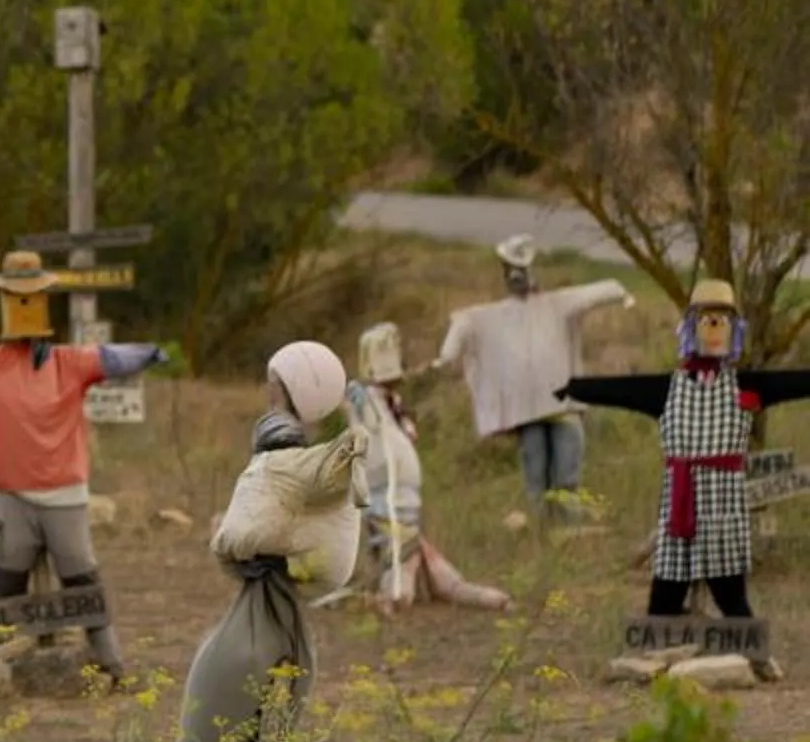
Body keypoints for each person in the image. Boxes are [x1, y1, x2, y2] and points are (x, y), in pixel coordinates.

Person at [0, 252, 162, 683]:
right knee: (7, 578)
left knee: (81, 580)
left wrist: (150, 353)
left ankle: (112, 664)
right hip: (14, 496)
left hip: (65, 496)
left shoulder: (70, 363)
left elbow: (114, 356)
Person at [162, 342, 363, 742]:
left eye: (276, 383)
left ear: (294, 390)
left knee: (260, 709)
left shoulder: (300, 464)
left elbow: (328, 473)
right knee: (239, 699)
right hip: (266, 596)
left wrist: (353, 440)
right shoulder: (286, 456)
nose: (268, 391)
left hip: (274, 599)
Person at [562, 280, 810, 651]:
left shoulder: (747, 385)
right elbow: (616, 390)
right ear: (691, 327)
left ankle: (752, 654)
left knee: (730, 590)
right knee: (666, 589)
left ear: (734, 330)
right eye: (707, 320)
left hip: (723, 504)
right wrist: (570, 387)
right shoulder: (668, 388)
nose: (714, 329)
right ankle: (655, 653)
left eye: (722, 321)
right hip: (679, 502)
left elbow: (795, 382)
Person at [434, 235, 633, 514]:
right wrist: (446, 356)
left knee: (566, 479)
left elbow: (596, 293)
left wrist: (621, 293)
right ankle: (544, 531)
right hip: (528, 411)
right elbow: (465, 323)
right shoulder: (497, 316)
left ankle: (566, 534)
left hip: (563, 407)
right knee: (537, 482)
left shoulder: (555, 304)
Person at [345, 323, 507, 611]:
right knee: (407, 576)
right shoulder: (362, 398)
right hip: (386, 499)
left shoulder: (392, 404)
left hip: (400, 501)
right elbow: (359, 406)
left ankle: (474, 597)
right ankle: (385, 597)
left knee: (426, 574)